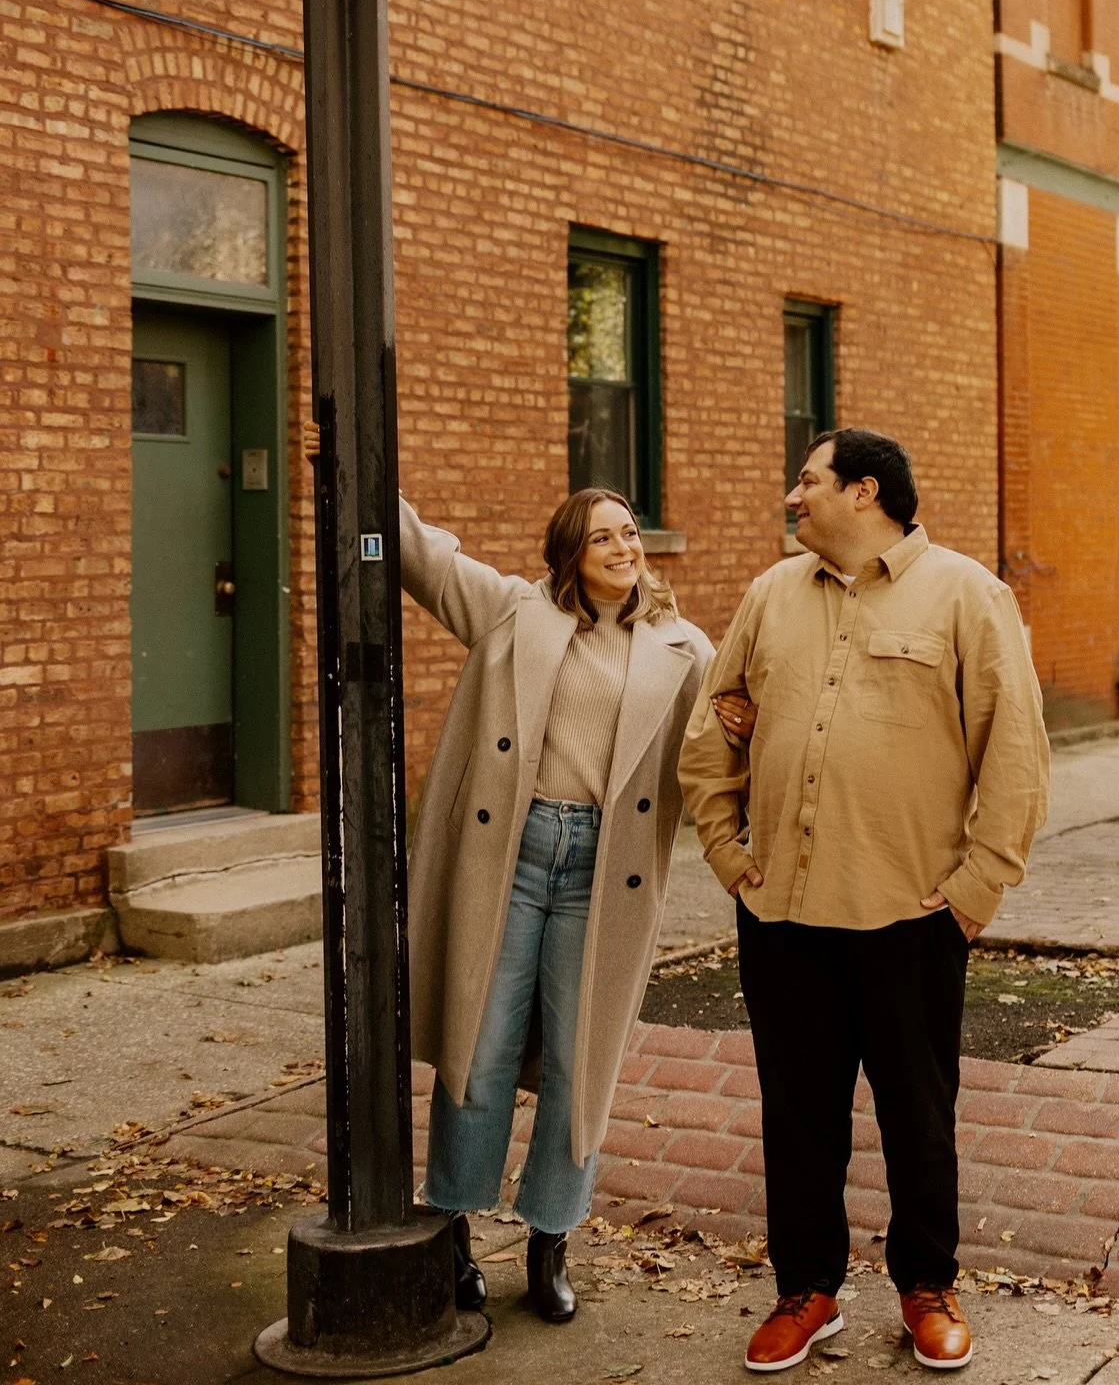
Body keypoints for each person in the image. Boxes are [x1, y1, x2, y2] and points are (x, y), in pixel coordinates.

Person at [680, 428, 1049, 1374]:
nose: (793, 498)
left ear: (865, 491)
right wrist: (727, 854)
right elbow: (710, 734)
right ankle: (806, 1291)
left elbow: (1015, 755)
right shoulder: (770, 596)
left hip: (909, 917)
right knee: (796, 1115)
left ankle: (927, 1285)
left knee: (918, 1116)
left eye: (807, 481)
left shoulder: (969, 594)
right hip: (782, 916)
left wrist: (974, 892)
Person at [397, 477, 713, 1325]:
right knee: (482, 1043)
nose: (624, 548)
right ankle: (454, 1231)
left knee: (580, 1061)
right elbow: (422, 553)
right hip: (511, 856)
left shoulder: (684, 650)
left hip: (603, 875)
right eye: (602, 537)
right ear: (569, 553)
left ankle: (549, 1240)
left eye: (631, 533)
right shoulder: (513, 613)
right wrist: (345, 454)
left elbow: (726, 758)